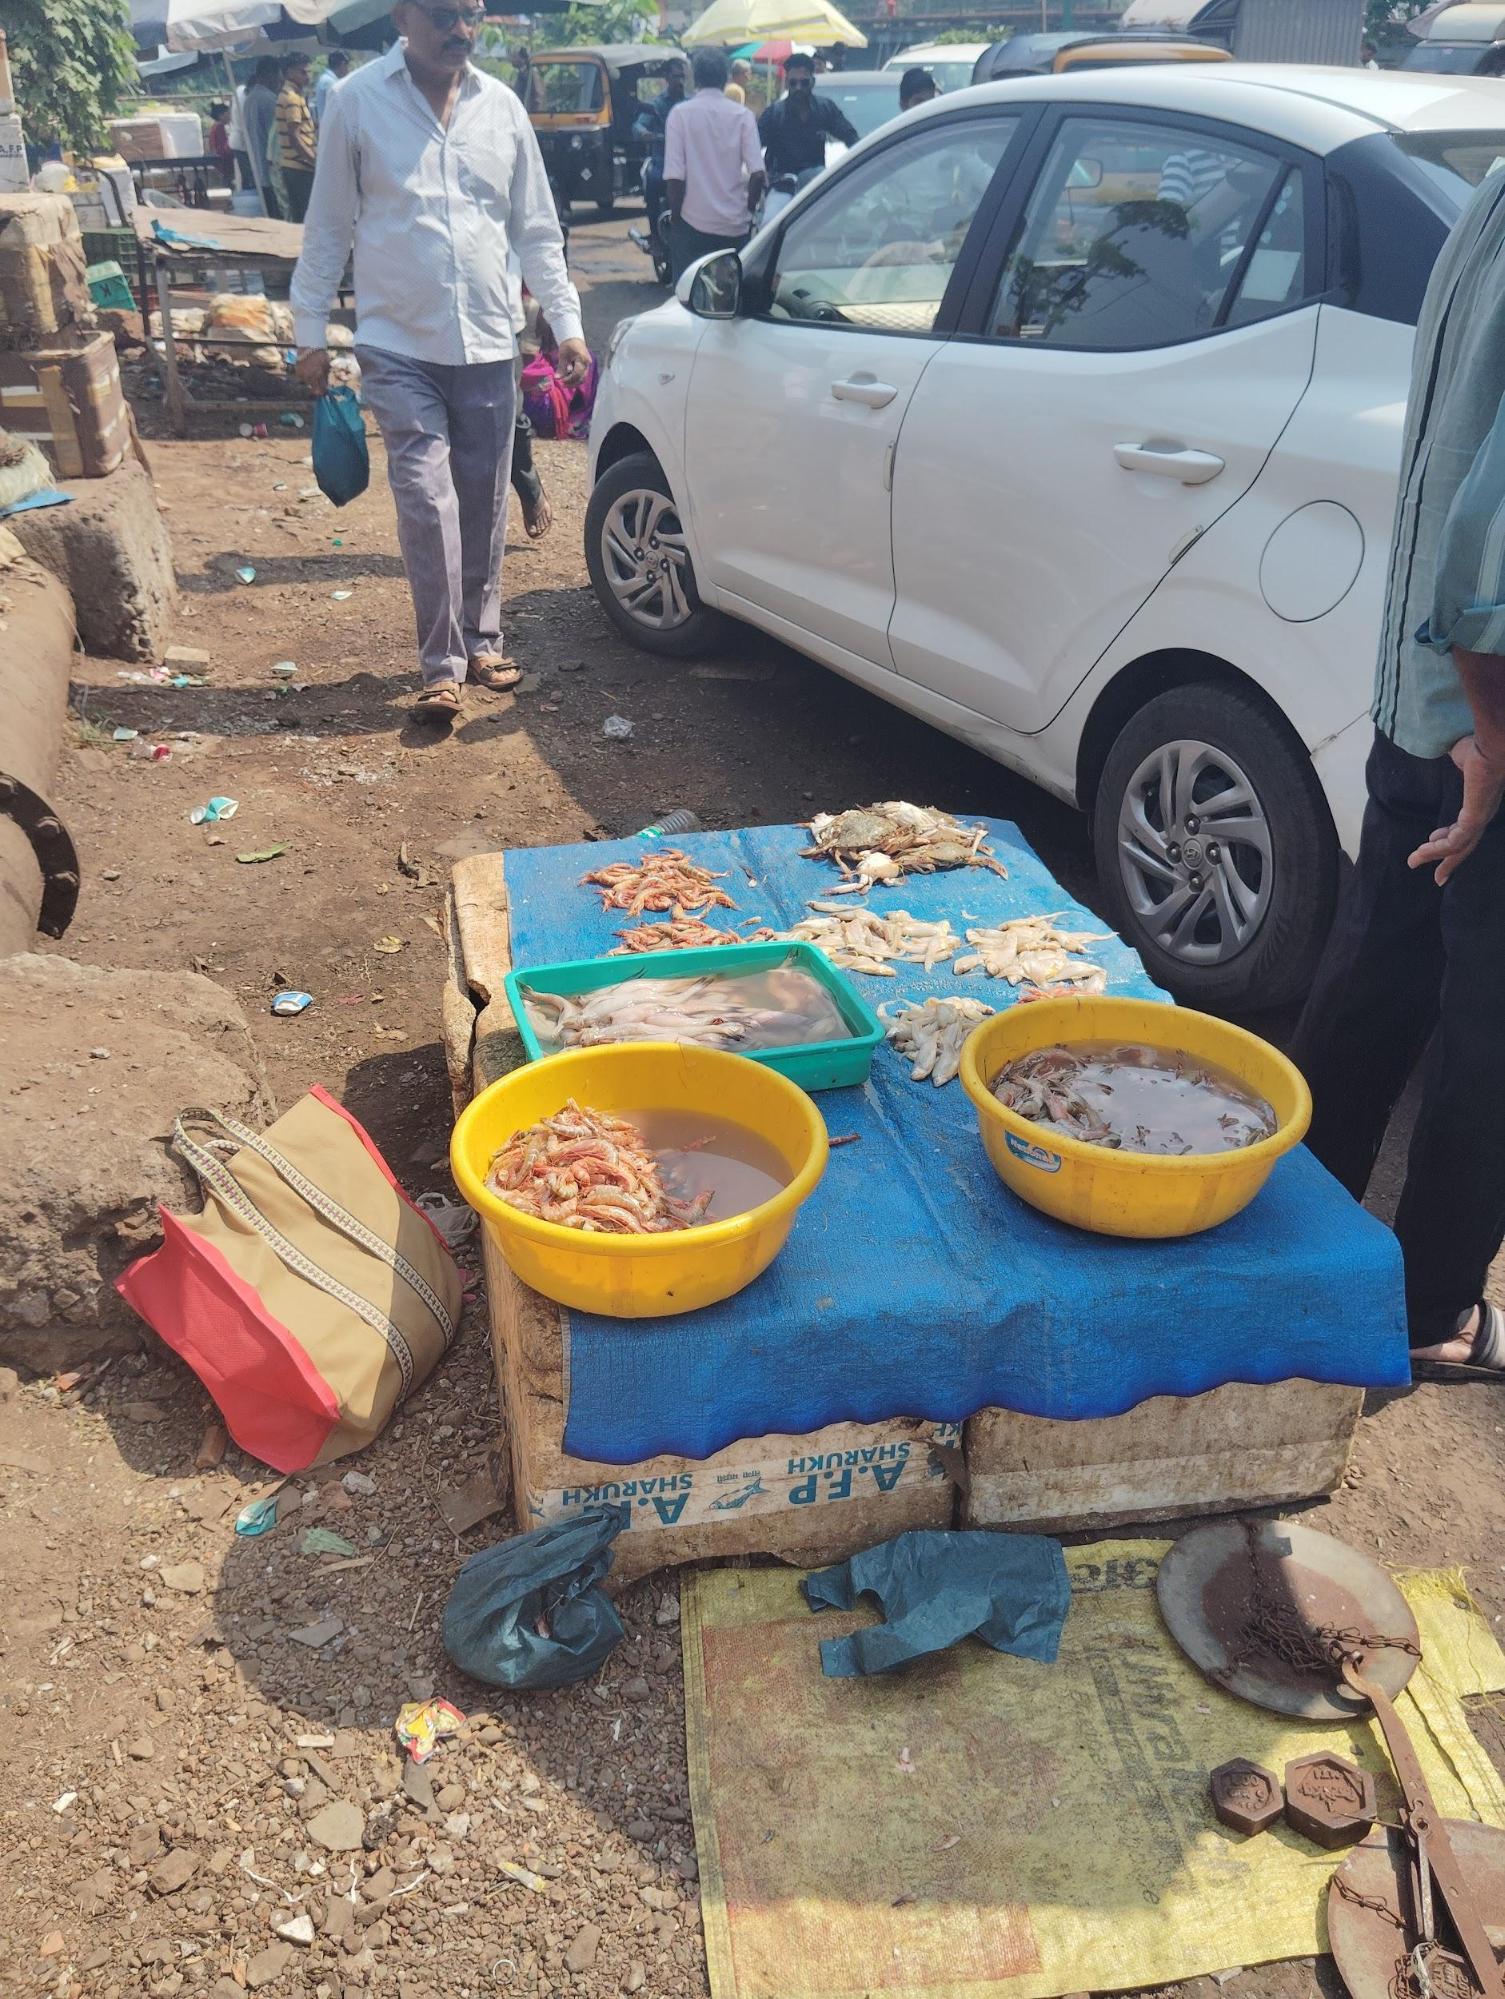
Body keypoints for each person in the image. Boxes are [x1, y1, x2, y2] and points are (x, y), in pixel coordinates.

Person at [1292, 165, 1505, 1382]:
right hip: (1481, 720)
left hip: (1425, 702)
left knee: (1372, 979)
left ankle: (1292, 1248)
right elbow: (1487, 552)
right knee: (1487, 1040)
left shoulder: (1489, 184)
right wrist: (1485, 734)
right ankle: (1428, 1309)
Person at [290, 0, 586, 723]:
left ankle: (483, 639)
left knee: (483, 500)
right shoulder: (356, 102)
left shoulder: (503, 107)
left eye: (472, 15)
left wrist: (566, 320)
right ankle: (440, 664)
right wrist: (308, 328)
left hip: (488, 339)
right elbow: (328, 222)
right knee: (426, 499)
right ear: (403, 14)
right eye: (446, 15)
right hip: (397, 341)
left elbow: (537, 228)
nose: (462, 30)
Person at [663, 48, 765, 282]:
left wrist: (676, 220)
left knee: (689, 297)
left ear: (695, 79)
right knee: (733, 296)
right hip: (735, 227)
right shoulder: (743, 116)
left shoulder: (680, 115)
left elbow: (675, 179)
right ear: (726, 78)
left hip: (692, 224)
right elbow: (757, 174)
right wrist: (748, 210)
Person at [757, 50, 856, 182]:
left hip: (814, 188)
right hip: (781, 187)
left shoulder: (825, 109)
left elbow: (851, 137)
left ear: (812, 82)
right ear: (786, 83)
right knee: (776, 204)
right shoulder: (773, 114)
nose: (798, 88)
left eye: (804, 83)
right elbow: (753, 147)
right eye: (793, 83)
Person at [633, 56, 687, 241]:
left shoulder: (690, 104)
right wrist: (644, 133)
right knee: (652, 182)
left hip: (688, 161)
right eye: (676, 76)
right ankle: (655, 236)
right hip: (662, 160)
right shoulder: (656, 104)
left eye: (682, 77)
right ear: (666, 77)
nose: (679, 81)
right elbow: (638, 126)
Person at [274, 54, 318, 222]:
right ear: (290, 73)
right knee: (306, 216)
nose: (307, 77)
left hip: (293, 165)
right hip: (300, 166)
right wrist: (314, 160)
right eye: (303, 73)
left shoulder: (290, 95)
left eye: (309, 73)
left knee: (301, 214)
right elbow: (295, 137)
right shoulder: (292, 98)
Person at [242, 57, 282, 216]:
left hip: (258, 167)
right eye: (278, 76)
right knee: (278, 214)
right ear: (270, 75)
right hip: (271, 170)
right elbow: (276, 139)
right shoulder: (269, 100)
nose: (280, 81)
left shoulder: (250, 99)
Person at [316, 48, 350, 127]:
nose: (348, 70)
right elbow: (338, 109)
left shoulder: (326, 79)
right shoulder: (330, 83)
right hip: (331, 128)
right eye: (347, 66)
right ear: (342, 65)